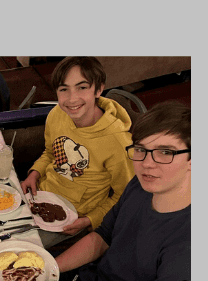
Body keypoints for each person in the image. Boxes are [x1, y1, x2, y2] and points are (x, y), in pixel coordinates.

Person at [51, 101, 190, 281]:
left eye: (165, 152)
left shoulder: (191, 244)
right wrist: (51, 268)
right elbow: (103, 236)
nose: (147, 164)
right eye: (141, 150)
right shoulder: (140, 184)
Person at [21, 57, 135, 245]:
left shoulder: (117, 142)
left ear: (98, 89)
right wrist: (35, 173)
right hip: (39, 196)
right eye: (64, 89)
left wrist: (91, 220)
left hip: (73, 218)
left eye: (82, 87)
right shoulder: (57, 114)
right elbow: (50, 152)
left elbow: (124, 196)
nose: (72, 99)